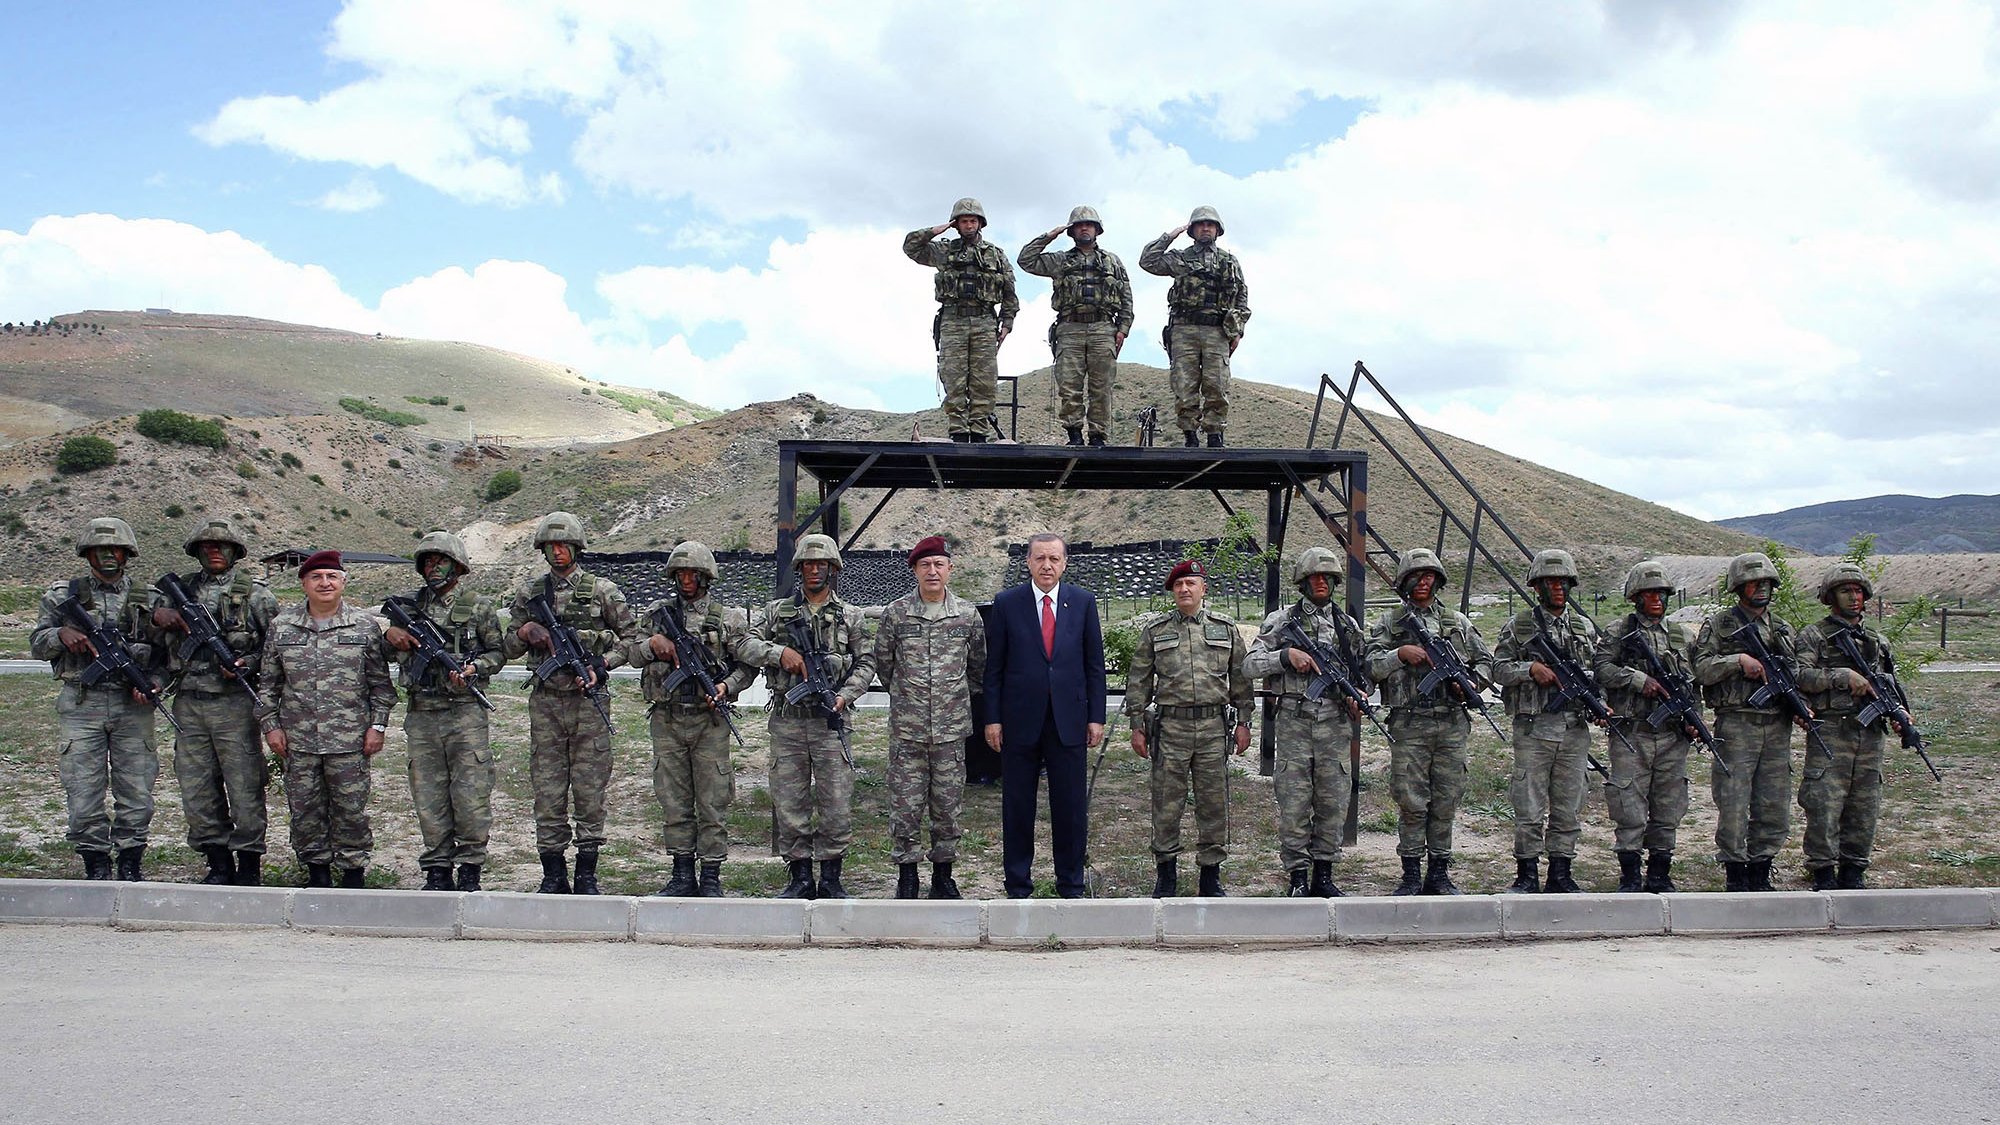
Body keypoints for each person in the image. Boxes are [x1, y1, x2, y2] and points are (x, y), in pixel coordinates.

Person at [506, 511, 633, 895]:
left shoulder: (603, 591)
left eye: (564, 545)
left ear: (577, 548)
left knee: (590, 790)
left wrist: (603, 664)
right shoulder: (530, 594)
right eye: (550, 546)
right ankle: (553, 873)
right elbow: (507, 645)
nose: (557, 552)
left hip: (588, 704)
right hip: (546, 703)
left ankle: (587, 873)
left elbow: (632, 639)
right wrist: (526, 632)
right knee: (547, 789)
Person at [150, 517, 279, 886]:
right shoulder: (176, 592)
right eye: (206, 547)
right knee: (197, 788)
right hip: (188, 703)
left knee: (245, 787)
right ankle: (217, 862)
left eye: (221, 546)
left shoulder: (256, 594)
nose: (214, 552)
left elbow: (274, 649)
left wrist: (247, 663)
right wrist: (159, 619)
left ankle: (250, 864)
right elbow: (152, 650)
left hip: (236, 704)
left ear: (235, 552)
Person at [629, 540, 761, 898]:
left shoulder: (727, 618)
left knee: (713, 800)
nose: (687, 579)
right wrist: (652, 645)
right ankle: (682, 873)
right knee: (673, 800)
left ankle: (712, 876)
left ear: (706, 577)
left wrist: (725, 686)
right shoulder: (658, 614)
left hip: (709, 720)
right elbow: (631, 653)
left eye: (694, 573)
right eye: (681, 573)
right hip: (668, 718)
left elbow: (747, 667)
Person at [32, 517, 161, 881]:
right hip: (81, 701)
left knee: (137, 786)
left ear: (126, 553)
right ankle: (95, 862)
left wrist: (153, 682)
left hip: (131, 705)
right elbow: (37, 644)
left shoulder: (147, 598)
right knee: (83, 785)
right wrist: (60, 634)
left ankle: (131, 859)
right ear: (87, 554)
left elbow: (166, 656)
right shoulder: (62, 597)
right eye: (100, 550)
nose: (108, 556)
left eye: (115, 550)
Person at [256, 552, 395, 889]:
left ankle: (352, 874)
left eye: (332, 576)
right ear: (303, 583)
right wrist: (271, 726)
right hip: (298, 739)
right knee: (305, 811)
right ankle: (316, 873)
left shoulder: (364, 627)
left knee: (350, 810)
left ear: (343, 582)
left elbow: (380, 684)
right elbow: (268, 684)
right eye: (316, 577)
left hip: (350, 740)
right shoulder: (282, 626)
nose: (325, 583)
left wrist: (377, 726)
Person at [982, 533, 1107, 899]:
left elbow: (1094, 666)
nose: (1047, 565)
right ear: (1028, 563)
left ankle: (1071, 883)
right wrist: (993, 718)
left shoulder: (1081, 602)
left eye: (1054, 558)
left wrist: (1095, 716)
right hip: (1019, 720)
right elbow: (995, 668)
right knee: (1018, 805)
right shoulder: (1008, 603)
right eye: (1040, 558)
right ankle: (1018, 884)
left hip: (1069, 720)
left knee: (1070, 808)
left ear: (1065, 563)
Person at [751, 533, 875, 899]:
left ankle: (832, 878)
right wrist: (780, 654)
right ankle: (800, 876)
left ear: (833, 569)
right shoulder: (777, 612)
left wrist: (844, 696)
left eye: (822, 564)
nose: (815, 570)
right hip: (788, 720)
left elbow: (867, 662)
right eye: (808, 564)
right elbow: (744, 644)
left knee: (836, 802)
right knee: (790, 801)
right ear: (800, 569)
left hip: (830, 722)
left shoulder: (850, 615)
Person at [1365, 548, 1494, 896]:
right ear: (1405, 582)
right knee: (1410, 800)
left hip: (1451, 722)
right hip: (1409, 723)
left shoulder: (1457, 622)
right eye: (1417, 577)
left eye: (1430, 577)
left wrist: (1469, 683)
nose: (1424, 582)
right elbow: (1370, 667)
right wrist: (1400, 655)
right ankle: (1410, 873)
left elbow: (1486, 661)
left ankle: (1438, 872)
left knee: (1446, 799)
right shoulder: (1391, 624)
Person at [382, 530, 504, 892]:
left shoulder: (478, 606)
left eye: (441, 561)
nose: (434, 568)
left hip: (465, 712)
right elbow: (385, 650)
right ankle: (436, 868)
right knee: (428, 794)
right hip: (422, 713)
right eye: (428, 562)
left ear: (457, 566)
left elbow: (498, 654)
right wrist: (392, 636)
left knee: (470, 792)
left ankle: (469, 868)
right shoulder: (409, 607)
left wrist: (473, 668)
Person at [1244, 546, 1368, 897]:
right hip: (1295, 724)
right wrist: (1285, 656)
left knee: (1333, 802)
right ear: (1302, 582)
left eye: (1326, 577)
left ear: (1335, 581)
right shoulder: (1281, 622)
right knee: (1294, 802)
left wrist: (1356, 695)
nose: (1320, 583)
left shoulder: (1347, 626)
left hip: (1335, 725)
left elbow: (1363, 674)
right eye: (1313, 577)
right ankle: (1297, 876)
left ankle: (1324, 875)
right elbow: (1249, 665)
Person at [1125, 560, 1251, 897]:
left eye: (1191, 583)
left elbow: (1240, 679)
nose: (1184, 589)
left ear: (1203, 588)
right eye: (1178, 585)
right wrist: (1137, 726)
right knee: (1167, 803)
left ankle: (1210, 875)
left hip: (1212, 728)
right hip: (1171, 730)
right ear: (1172, 591)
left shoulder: (1225, 629)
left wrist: (1245, 722)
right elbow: (1138, 681)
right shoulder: (1156, 631)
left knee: (1213, 802)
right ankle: (1166, 874)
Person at [872, 535, 986, 899]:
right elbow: (884, 665)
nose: (932, 571)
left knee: (948, 806)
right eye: (925, 565)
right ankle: (907, 874)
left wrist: (949, 701)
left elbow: (977, 668)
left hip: (951, 731)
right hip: (908, 730)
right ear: (915, 571)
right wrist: (911, 697)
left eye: (939, 564)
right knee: (905, 806)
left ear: (950, 569)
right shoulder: (896, 613)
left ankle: (943, 875)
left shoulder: (967, 615)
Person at [1693, 552, 1807, 892]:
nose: (1760, 589)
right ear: (1739, 587)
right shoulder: (1719, 626)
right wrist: (1737, 661)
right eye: (1752, 583)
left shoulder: (1783, 628)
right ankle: (1735, 874)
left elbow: (1797, 671)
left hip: (1776, 723)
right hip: (1737, 722)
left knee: (1773, 803)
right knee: (1733, 801)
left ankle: (1761, 868)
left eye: (1765, 583)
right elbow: (1700, 670)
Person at [1491, 549, 1601, 894]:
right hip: (1534, 728)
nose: (1557, 588)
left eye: (1563, 582)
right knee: (1529, 803)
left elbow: (1600, 672)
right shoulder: (1520, 625)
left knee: (1569, 803)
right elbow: (1498, 669)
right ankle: (1526, 874)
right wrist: (1531, 669)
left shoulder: (1583, 627)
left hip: (1573, 729)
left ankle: (1561, 872)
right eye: (1549, 582)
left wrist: (1597, 700)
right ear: (1537, 587)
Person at [1795, 562, 1904, 890]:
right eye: (1845, 591)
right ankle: (1823, 871)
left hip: (1869, 734)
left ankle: (1854, 869)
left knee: (1864, 803)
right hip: (1831, 729)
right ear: (1830, 596)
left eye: (1858, 591)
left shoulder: (1877, 640)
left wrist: (1900, 714)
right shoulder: (1814, 635)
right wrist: (1841, 677)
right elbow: (1799, 676)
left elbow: (1890, 682)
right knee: (1824, 802)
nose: (1853, 597)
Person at [1593, 560, 1698, 893]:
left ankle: (1660, 873)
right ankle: (1630, 874)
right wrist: (1638, 680)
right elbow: (1601, 669)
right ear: (1636, 596)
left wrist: (1695, 719)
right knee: (1629, 805)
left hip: (1672, 734)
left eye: (1661, 593)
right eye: (1649, 593)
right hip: (1632, 731)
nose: (1656, 599)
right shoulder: (1618, 632)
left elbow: (1693, 682)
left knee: (1669, 805)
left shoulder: (1682, 635)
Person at [904, 197, 1020, 443]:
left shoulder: (996, 255)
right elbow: (911, 247)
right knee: (953, 377)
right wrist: (937, 230)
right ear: (956, 224)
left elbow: (1010, 291)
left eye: (973, 221)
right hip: (953, 320)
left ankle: (978, 431)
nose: (969, 225)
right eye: (964, 221)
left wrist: (1007, 322)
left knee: (983, 380)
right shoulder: (944, 250)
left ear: (980, 223)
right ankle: (958, 430)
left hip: (984, 321)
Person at [1016, 205, 1134, 447]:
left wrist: (1123, 329)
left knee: (1101, 387)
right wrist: (1049, 236)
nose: (1084, 228)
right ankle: (1074, 434)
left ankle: (1098, 436)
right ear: (1072, 231)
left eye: (1089, 224)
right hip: (1070, 329)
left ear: (1097, 229)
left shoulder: (1112, 262)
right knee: (1070, 386)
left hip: (1103, 329)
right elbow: (1026, 260)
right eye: (1079, 225)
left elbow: (1126, 297)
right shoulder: (1061, 260)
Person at [1138, 205, 1251, 448]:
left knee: (1217, 385)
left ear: (1218, 230)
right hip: (1184, 330)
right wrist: (1169, 236)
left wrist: (1238, 330)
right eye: (1200, 224)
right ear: (1192, 230)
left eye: (1210, 224)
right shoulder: (1181, 258)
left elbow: (1242, 297)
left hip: (1217, 331)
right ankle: (1190, 434)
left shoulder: (1229, 261)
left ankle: (1214, 434)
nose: (1205, 228)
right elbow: (1147, 261)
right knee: (1184, 384)